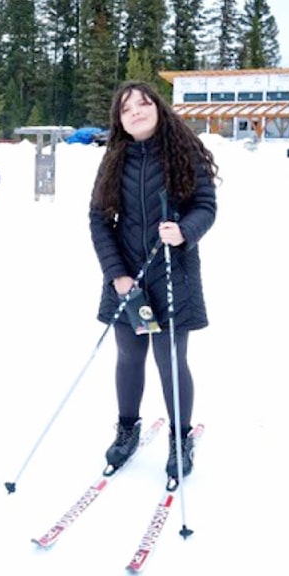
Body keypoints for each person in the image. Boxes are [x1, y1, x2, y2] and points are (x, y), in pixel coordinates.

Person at [89, 80, 219, 482]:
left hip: (172, 276)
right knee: (129, 355)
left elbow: (206, 206)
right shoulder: (114, 159)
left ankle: (181, 438)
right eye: (127, 109)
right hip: (129, 280)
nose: (137, 112)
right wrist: (117, 275)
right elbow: (98, 219)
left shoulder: (184, 152)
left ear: (158, 108)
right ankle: (128, 428)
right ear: (120, 120)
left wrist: (185, 231)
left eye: (143, 104)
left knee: (170, 359)